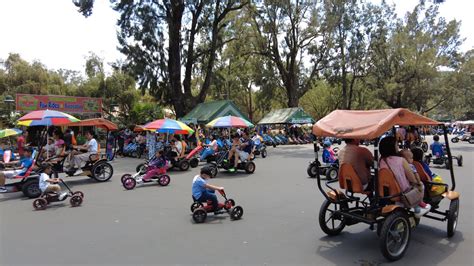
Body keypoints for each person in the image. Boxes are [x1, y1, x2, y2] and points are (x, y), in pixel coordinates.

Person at [379, 136, 430, 217]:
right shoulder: (401, 160)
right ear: (392, 147)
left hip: (386, 191)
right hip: (402, 192)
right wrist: (418, 182)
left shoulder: (381, 160)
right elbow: (412, 179)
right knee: (421, 185)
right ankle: (418, 206)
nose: (397, 146)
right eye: (396, 145)